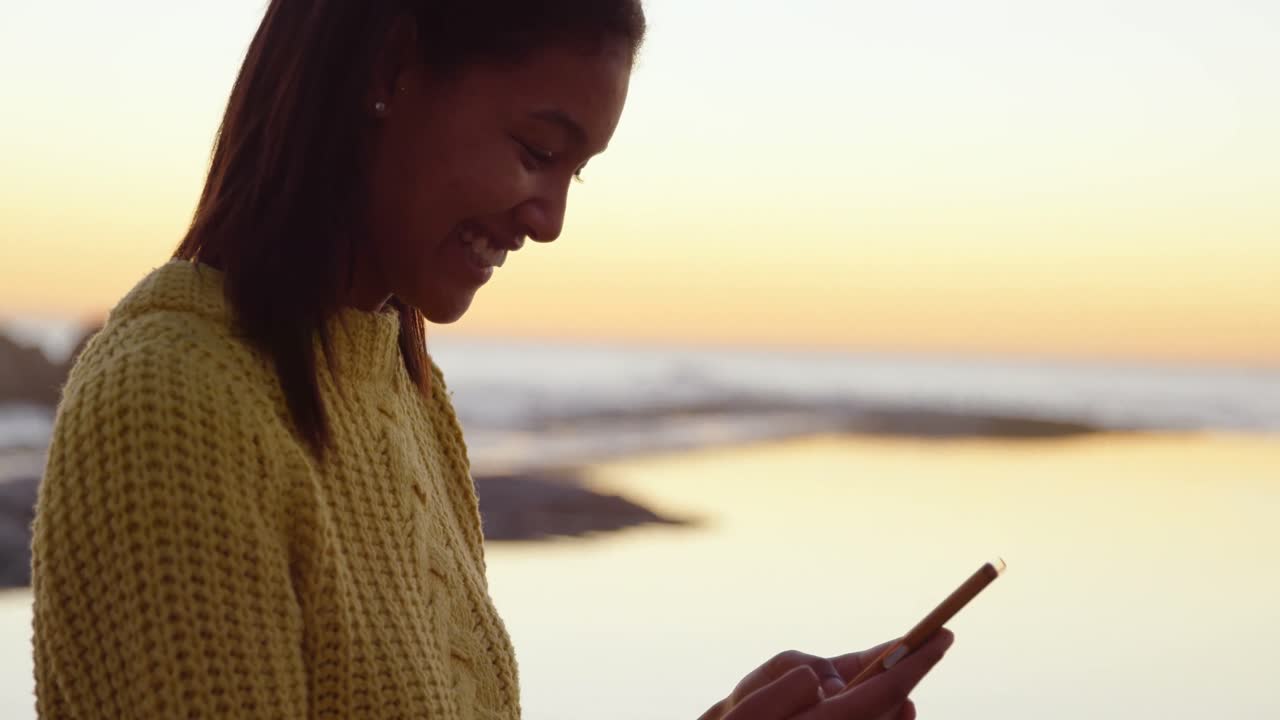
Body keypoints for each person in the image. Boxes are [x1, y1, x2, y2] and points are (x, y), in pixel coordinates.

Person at [30, 2, 953, 718]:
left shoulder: (405, 391)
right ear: (390, 69)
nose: (550, 221)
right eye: (536, 150)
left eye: (573, 171)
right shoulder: (171, 410)